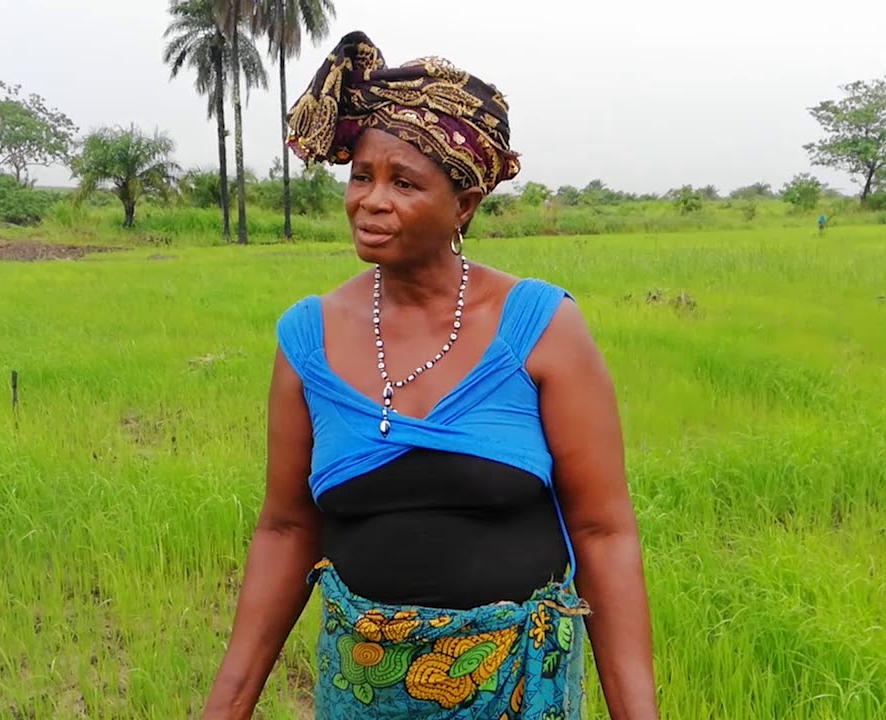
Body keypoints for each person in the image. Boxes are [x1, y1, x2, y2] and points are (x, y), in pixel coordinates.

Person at [200, 31, 659, 720]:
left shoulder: (539, 328)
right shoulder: (308, 338)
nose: (371, 201)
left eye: (404, 183)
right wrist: (226, 706)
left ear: (465, 205)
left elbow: (603, 533)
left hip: (517, 690)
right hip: (363, 691)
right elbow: (286, 529)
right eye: (362, 176)